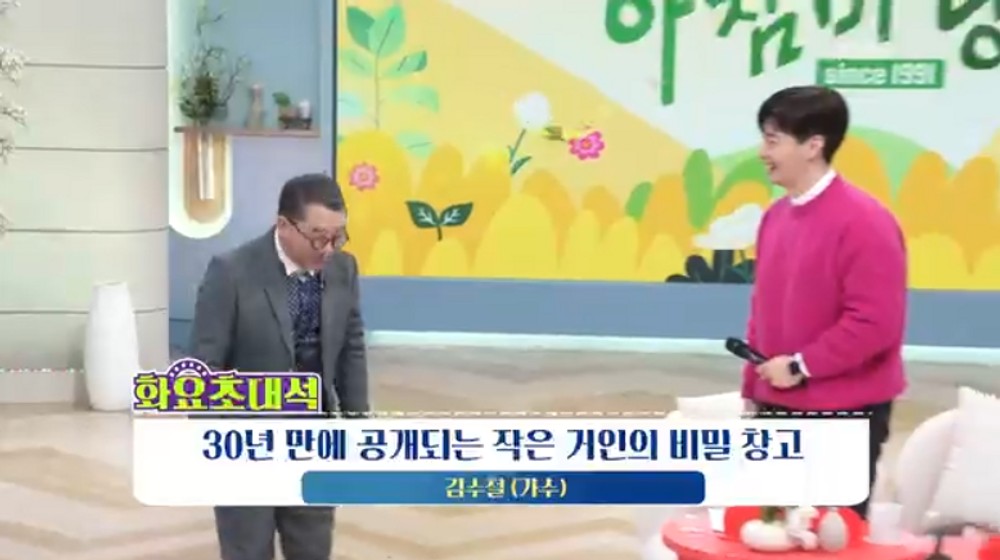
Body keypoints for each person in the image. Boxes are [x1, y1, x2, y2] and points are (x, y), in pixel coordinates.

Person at [741, 86, 907, 519]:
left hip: (844, 412)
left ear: (813, 145)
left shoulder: (866, 222)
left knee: (831, 536)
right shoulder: (775, 217)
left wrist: (800, 366)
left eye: (773, 140)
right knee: (770, 530)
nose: (763, 152)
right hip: (776, 407)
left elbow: (874, 323)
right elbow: (762, 310)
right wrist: (752, 390)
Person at [190, 173, 370, 560]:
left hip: (314, 442)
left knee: (313, 549)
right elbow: (203, 368)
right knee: (249, 550)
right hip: (245, 444)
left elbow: (350, 348)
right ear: (284, 225)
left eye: (338, 236)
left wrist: (358, 425)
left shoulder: (343, 269)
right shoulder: (232, 272)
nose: (328, 248)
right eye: (318, 237)